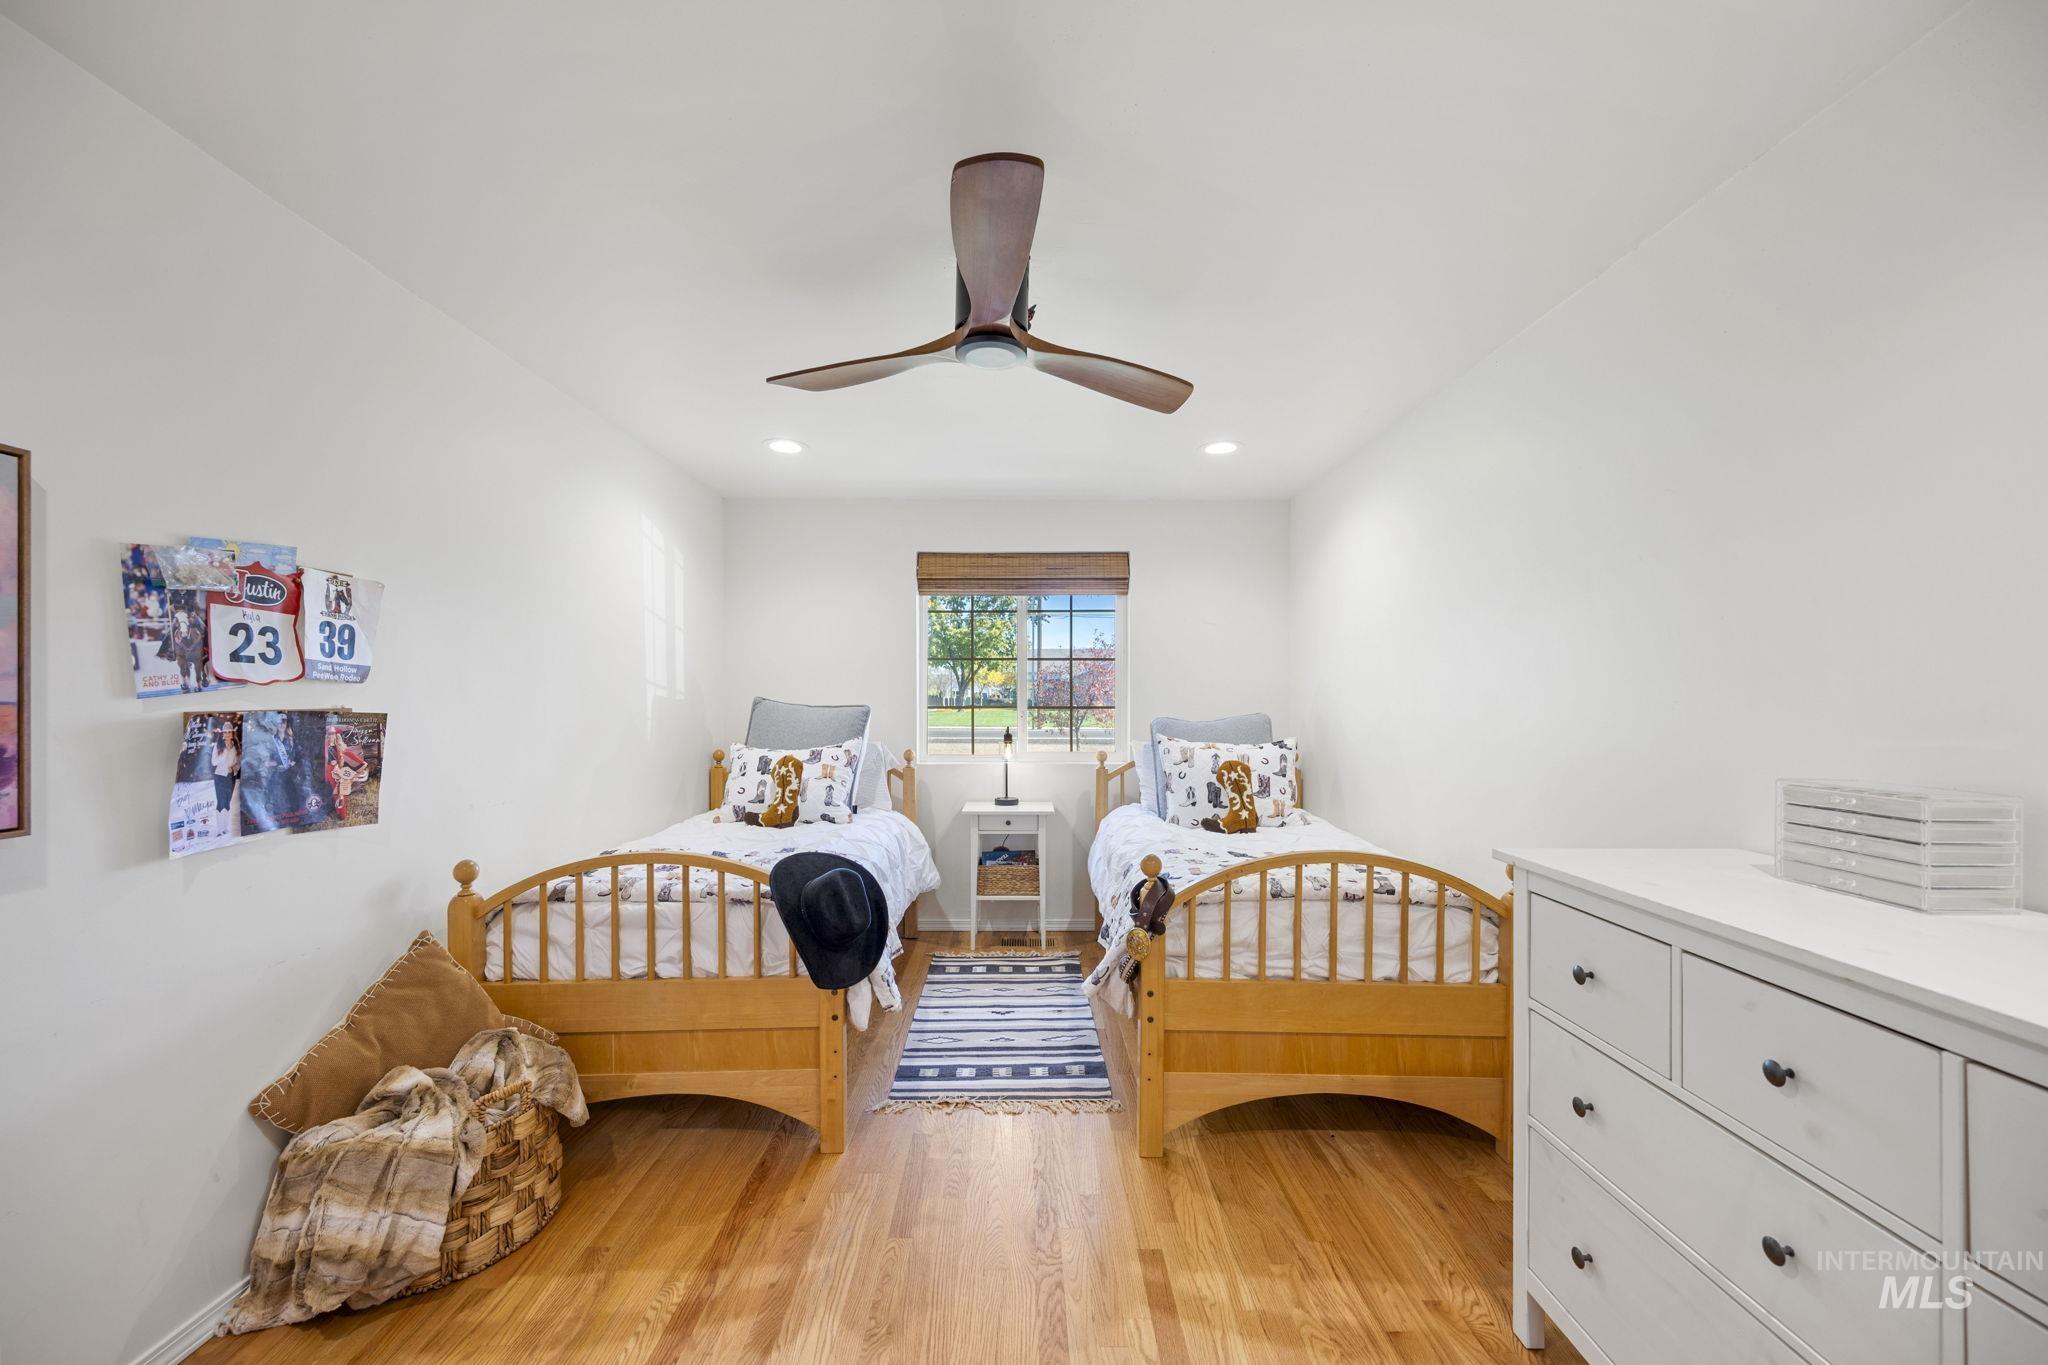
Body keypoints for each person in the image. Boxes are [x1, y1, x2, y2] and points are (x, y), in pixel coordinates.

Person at [211, 719, 240, 814]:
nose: (227, 734)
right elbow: (214, 762)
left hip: (231, 777)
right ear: (222, 733)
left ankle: (226, 827)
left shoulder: (236, 746)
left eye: (229, 732)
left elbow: (239, 762)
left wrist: (234, 768)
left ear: (232, 733)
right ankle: (220, 828)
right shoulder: (218, 745)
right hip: (219, 776)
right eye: (225, 732)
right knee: (220, 803)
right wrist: (225, 751)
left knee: (227, 803)